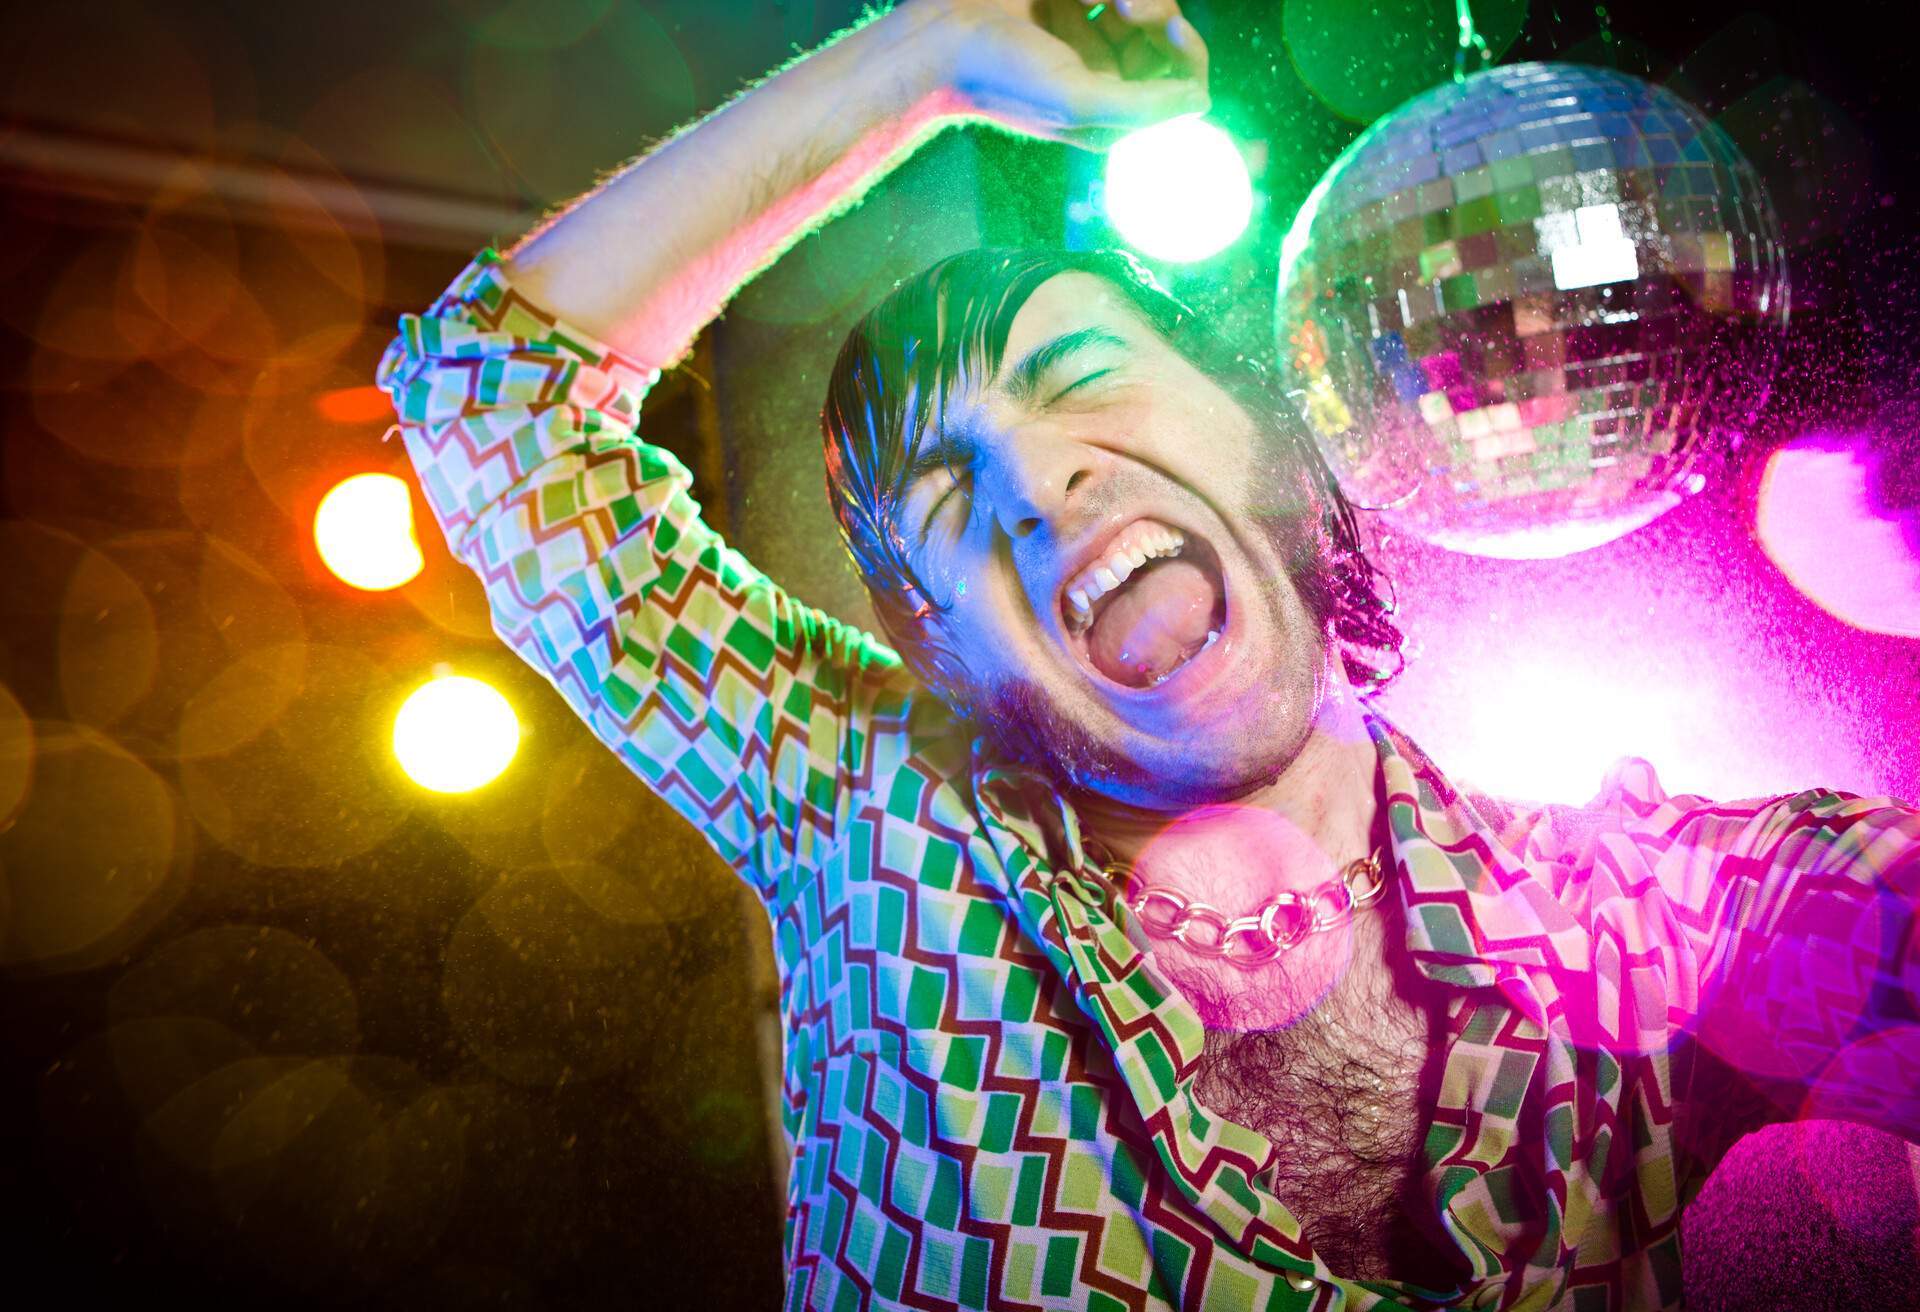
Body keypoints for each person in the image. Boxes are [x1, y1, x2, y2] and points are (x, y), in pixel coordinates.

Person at [377, 1, 1920, 1306]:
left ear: (1261, 420)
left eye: (1080, 376)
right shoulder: (873, 813)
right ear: (939, 646)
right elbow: (495, 404)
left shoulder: (1641, 917)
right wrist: (926, 52)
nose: (1036, 483)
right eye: (943, 497)